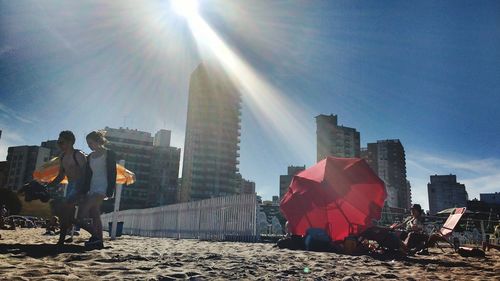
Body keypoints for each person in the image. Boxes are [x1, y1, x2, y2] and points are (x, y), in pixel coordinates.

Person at [79, 130, 117, 249]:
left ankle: (95, 236)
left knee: (81, 213)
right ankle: (99, 241)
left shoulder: (109, 153)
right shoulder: (90, 156)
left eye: (90, 143)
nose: (89, 146)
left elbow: (113, 172)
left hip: (103, 187)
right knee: (94, 214)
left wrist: (110, 190)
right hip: (92, 187)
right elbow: (88, 175)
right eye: (87, 143)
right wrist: (85, 190)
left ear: (97, 141)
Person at [47, 131, 87, 202]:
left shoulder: (78, 155)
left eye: (61, 143)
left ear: (70, 142)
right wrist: (48, 186)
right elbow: (61, 176)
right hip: (70, 185)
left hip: (79, 187)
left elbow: (86, 174)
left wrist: (82, 191)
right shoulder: (62, 156)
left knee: (69, 208)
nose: (59, 145)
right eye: (58, 143)